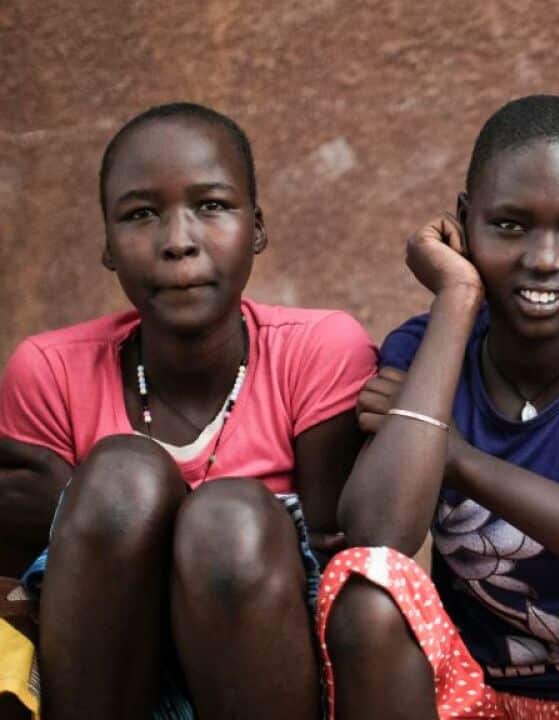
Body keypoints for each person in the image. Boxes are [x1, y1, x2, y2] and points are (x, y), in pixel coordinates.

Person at [318, 94, 559, 719]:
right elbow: (377, 535)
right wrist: (457, 294)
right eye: (509, 225)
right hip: (469, 690)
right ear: (464, 221)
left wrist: (461, 461)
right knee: (369, 587)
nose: (545, 259)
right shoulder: (425, 349)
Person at [0, 102, 376, 720]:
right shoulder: (50, 371)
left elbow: (344, 565)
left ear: (256, 227)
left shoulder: (320, 350)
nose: (179, 242)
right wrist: (82, 509)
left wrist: (67, 499)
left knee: (228, 519)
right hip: (107, 679)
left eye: (212, 206)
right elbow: (23, 590)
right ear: (108, 246)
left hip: (267, 671)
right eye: (142, 214)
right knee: (123, 476)